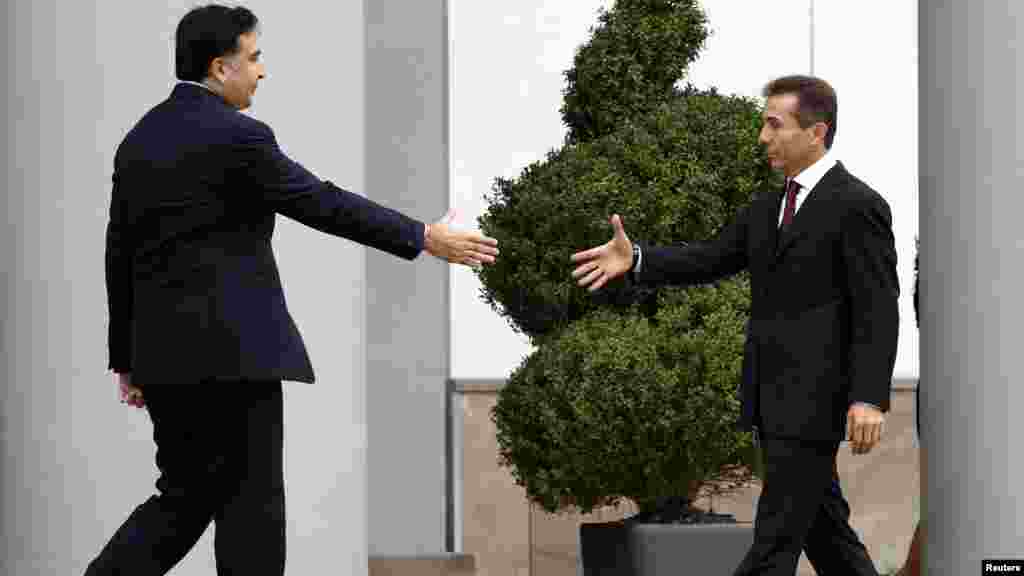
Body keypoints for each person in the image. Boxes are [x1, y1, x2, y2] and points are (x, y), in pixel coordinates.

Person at [90, 4, 498, 575]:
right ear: (218, 67)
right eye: (253, 57)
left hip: (163, 362)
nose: (261, 71)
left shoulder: (139, 139)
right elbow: (322, 202)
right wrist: (424, 237)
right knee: (251, 509)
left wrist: (125, 359)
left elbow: (119, 256)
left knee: (183, 498)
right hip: (235, 361)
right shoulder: (241, 137)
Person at [570, 75, 898, 576]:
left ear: (817, 132)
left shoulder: (858, 205)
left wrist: (868, 396)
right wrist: (636, 258)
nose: (762, 137)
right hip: (770, 400)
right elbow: (709, 258)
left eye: (774, 125)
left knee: (773, 542)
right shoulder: (768, 209)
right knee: (825, 534)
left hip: (817, 403)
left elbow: (877, 307)